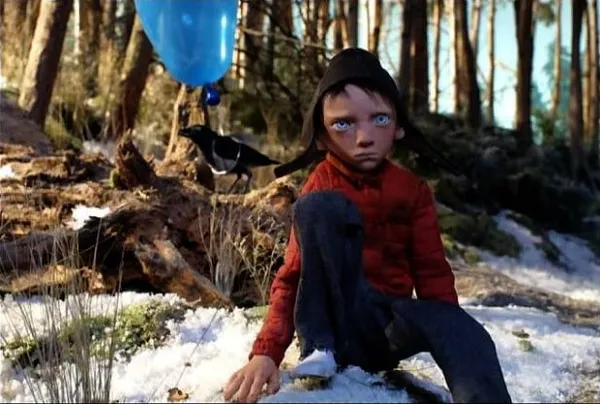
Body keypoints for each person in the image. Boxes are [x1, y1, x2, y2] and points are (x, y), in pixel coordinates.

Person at [223, 48, 512, 404]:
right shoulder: (320, 185)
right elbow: (293, 275)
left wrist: (446, 328)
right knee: (319, 206)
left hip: (387, 327)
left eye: (380, 119)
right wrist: (266, 352)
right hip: (334, 327)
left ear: (399, 126)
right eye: (343, 124)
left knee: (461, 325)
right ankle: (319, 348)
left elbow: (432, 272)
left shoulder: (412, 191)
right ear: (321, 135)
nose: (364, 137)